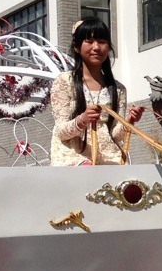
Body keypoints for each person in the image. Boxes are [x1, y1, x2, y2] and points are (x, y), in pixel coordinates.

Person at [50, 17, 145, 165]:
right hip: (74, 155)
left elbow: (114, 135)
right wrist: (83, 119)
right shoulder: (64, 82)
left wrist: (129, 121)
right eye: (89, 41)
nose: (96, 47)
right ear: (77, 46)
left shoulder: (118, 89)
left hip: (108, 156)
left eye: (102, 41)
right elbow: (61, 131)